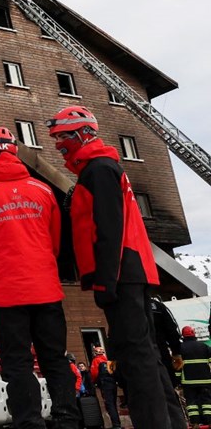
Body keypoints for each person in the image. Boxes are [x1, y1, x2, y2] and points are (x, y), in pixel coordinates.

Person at [47, 106, 185, 429]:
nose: (58, 145)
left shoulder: (98, 170)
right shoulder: (100, 170)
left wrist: (105, 282)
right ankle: (172, 422)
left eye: (63, 137)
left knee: (135, 359)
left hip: (121, 275)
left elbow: (109, 229)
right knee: (146, 356)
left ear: (82, 134)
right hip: (130, 274)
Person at [0, 126, 79, 429]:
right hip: (46, 290)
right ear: (15, 150)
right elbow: (53, 243)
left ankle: (30, 423)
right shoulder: (43, 190)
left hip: (3, 294)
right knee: (55, 359)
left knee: (17, 362)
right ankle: (67, 421)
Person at [181, 325, 211, 428]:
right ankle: (208, 420)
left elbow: (177, 367)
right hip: (205, 380)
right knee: (206, 400)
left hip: (188, 382)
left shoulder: (181, 348)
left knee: (192, 401)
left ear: (183, 336)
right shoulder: (203, 346)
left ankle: (195, 422)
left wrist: (177, 379)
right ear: (194, 334)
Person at [91, 346, 123, 429]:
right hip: (113, 384)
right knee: (113, 403)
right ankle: (117, 423)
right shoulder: (108, 360)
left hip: (105, 385)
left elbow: (94, 374)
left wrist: (96, 383)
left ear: (95, 353)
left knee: (109, 404)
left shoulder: (96, 361)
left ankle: (116, 425)